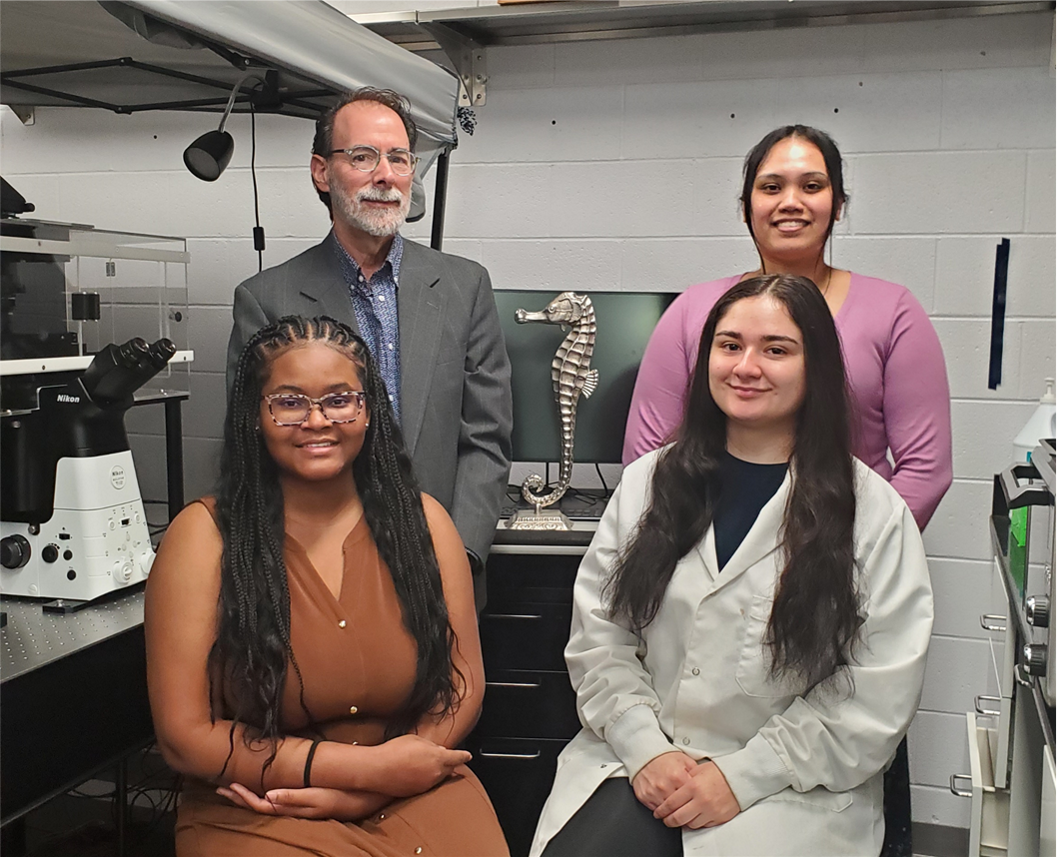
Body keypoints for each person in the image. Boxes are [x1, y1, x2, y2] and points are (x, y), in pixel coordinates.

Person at [531, 275, 933, 857]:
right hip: (641, 764)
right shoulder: (648, 483)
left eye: (776, 349)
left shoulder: (874, 513)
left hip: (792, 791)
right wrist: (648, 749)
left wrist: (742, 776)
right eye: (729, 345)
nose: (747, 366)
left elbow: (876, 692)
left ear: (814, 365)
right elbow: (601, 641)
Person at [148, 316, 509, 856]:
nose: (317, 420)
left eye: (340, 399)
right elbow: (184, 736)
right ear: (255, 415)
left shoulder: (426, 523)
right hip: (260, 803)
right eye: (289, 402)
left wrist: (378, 785)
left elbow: (462, 686)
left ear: (368, 411)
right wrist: (366, 771)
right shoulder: (203, 537)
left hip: (416, 787)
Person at [226, 88, 512, 607]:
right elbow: (253, 450)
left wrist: (460, 554)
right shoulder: (267, 300)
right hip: (313, 577)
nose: (385, 175)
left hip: (439, 573)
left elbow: (487, 438)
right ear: (321, 171)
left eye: (399, 158)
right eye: (362, 157)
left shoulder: (465, 288)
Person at [623, 124, 951, 533]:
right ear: (746, 206)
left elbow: (927, 469)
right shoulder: (693, 310)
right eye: (772, 187)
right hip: (706, 546)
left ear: (839, 205)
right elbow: (646, 455)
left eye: (812, 186)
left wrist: (861, 552)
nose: (791, 202)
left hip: (842, 554)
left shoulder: (893, 313)